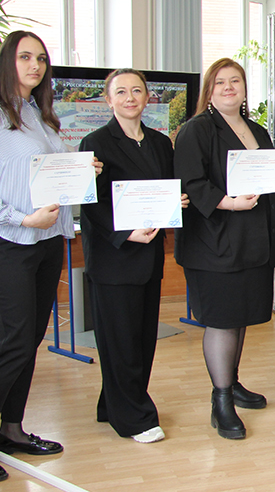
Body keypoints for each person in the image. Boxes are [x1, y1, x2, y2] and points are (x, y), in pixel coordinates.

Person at [0, 31, 101, 483]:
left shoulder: (43, 118)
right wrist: (19, 217)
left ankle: (11, 429)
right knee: (13, 344)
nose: (35, 65)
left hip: (48, 242)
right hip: (9, 243)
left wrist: (82, 168)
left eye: (41, 59)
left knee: (30, 340)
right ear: (7, 63)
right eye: (25, 57)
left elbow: (52, 176)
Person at [174, 58, 275, 439]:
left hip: (254, 241)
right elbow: (191, 183)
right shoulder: (196, 130)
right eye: (220, 82)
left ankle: (232, 383)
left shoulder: (258, 131)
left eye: (235, 81)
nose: (228, 87)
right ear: (209, 90)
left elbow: (272, 185)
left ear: (244, 88)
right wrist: (229, 203)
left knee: (239, 316)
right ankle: (220, 401)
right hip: (214, 243)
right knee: (222, 320)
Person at [79, 69, 188, 444]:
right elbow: (90, 203)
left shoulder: (159, 143)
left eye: (137, 90)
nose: (130, 97)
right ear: (108, 100)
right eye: (121, 91)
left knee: (140, 340)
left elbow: (167, 190)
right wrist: (125, 233)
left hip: (149, 256)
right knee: (120, 341)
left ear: (147, 98)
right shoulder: (95, 143)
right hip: (114, 256)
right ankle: (134, 419)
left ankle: (111, 404)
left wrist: (177, 202)